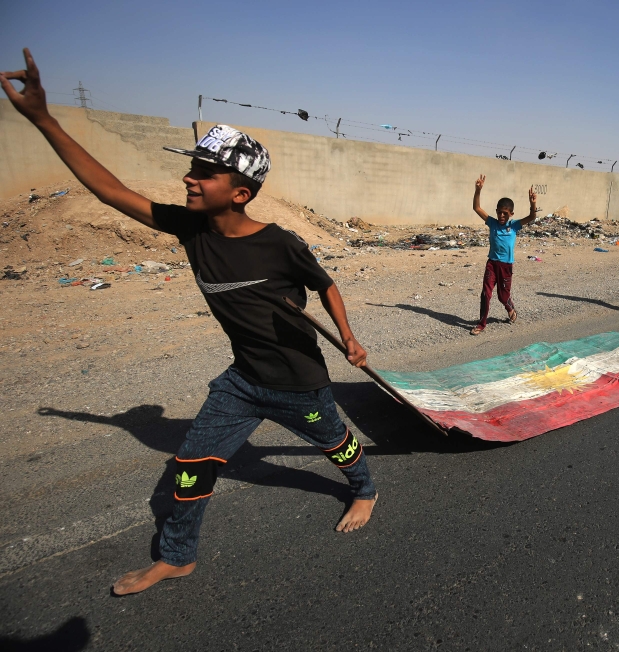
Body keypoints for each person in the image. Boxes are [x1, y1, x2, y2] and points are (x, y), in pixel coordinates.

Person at [1, 49, 378, 596]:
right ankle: (177, 557)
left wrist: (348, 336)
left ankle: (363, 487)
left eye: (205, 172)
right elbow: (109, 190)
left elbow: (325, 284)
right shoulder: (190, 228)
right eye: (192, 168)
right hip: (242, 383)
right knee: (191, 467)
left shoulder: (279, 244)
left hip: (299, 382)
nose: (190, 177)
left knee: (336, 443)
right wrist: (43, 118)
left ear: (241, 192)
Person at [470, 175, 538, 335]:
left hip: (506, 267)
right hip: (492, 264)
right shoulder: (492, 222)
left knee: (502, 296)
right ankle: (481, 323)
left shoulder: (514, 225)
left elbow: (532, 217)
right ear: (496, 212)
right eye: (500, 213)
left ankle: (509, 307)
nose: (502, 216)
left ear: (511, 214)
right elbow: (477, 208)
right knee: (486, 293)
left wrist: (533, 204)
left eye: (505, 214)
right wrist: (478, 191)